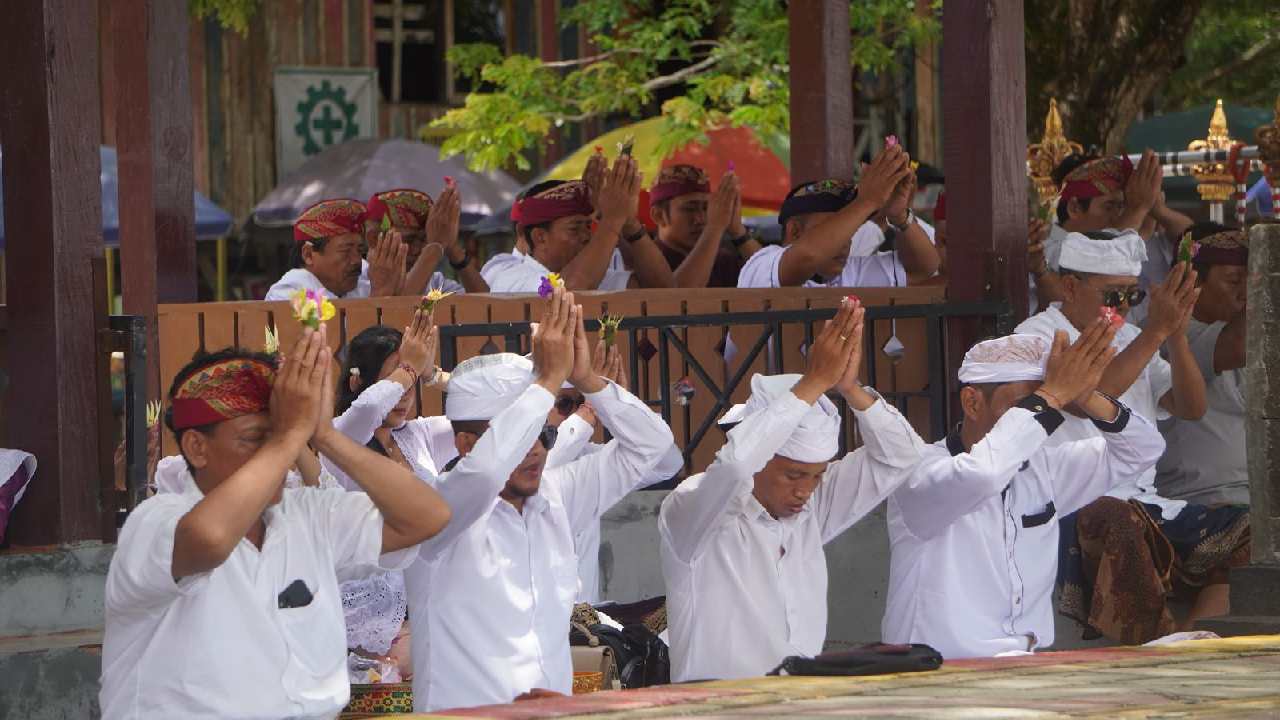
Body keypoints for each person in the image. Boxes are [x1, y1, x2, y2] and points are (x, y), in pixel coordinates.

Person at [99, 328, 453, 719]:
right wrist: (288, 436)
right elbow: (211, 539)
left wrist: (324, 435)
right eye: (254, 438)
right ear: (197, 448)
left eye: (278, 439)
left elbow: (426, 517)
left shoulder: (307, 514)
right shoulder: (155, 521)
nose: (278, 456)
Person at [403, 287, 678, 711]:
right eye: (520, 437)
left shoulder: (558, 493)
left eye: (544, 434)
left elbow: (655, 448)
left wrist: (587, 380)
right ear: (465, 444)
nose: (536, 450)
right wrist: (549, 380)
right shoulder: (437, 511)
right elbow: (484, 473)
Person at [659, 298, 927, 681]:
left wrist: (849, 388)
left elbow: (903, 455)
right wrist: (813, 382)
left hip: (801, 701)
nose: (805, 491)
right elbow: (735, 467)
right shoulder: (692, 510)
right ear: (762, 455)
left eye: (816, 476)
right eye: (794, 475)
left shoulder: (812, 510)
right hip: (718, 705)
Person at [1016, 230, 1246, 643]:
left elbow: (1190, 407)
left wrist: (1175, 335)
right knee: (1120, 519)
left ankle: (1188, 642)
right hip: (1072, 502)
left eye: (1131, 296)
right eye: (1112, 295)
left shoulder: (1128, 336)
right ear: (1070, 287)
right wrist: (1154, 332)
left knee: (1249, 528)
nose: (1122, 307)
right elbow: (1085, 399)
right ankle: (1152, 647)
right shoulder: (1038, 334)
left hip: (1143, 501)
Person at [882, 328, 1164, 659]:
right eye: (1025, 406)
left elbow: (1144, 449)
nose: (1038, 416)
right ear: (972, 403)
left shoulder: (1045, 468)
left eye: (1045, 406)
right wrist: (1049, 397)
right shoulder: (920, 471)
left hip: (1023, 665)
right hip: (936, 666)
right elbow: (984, 474)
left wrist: (1086, 395)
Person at [736, 146, 941, 290]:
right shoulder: (762, 264)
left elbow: (923, 268)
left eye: (850, 230)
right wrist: (867, 202)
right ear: (795, 231)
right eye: (833, 226)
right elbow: (807, 256)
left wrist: (899, 216)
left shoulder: (851, 273)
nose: (846, 242)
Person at [1156, 224, 1249, 506]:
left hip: (1255, 497)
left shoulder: (1240, 326)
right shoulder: (1163, 332)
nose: (1246, 293)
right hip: (1202, 499)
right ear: (1191, 283)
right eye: (1234, 281)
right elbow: (1239, 345)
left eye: (1252, 281)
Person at [482, 156, 673, 292]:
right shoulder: (508, 273)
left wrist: (629, 224)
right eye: (574, 229)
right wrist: (612, 220)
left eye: (588, 226)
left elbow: (663, 291)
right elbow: (570, 291)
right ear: (540, 237)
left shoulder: (594, 274)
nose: (587, 236)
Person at [647, 164, 761, 287]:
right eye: (690, 209)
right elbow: (679, 296)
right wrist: (714, 228)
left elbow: (770, 277)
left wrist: (738, 231)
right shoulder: (645, 261)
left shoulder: (722, 260)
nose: (700, 219)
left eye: (706, 208)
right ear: (658, 215)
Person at [365, 184, 490, 295]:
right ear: (374, 239)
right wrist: (435, 246)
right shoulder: (358, 281)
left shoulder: (434, 282)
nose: (417, 250)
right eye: (408, 240)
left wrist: (453, 248)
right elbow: (400, 308)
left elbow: (485, 305)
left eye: (424, 239)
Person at [265, 199, 381, 301]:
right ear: (308, 255)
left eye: (360, 250)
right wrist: (381, 292)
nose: (356, 260)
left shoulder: (364, 278)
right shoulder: (287, 293)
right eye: (346, 251)